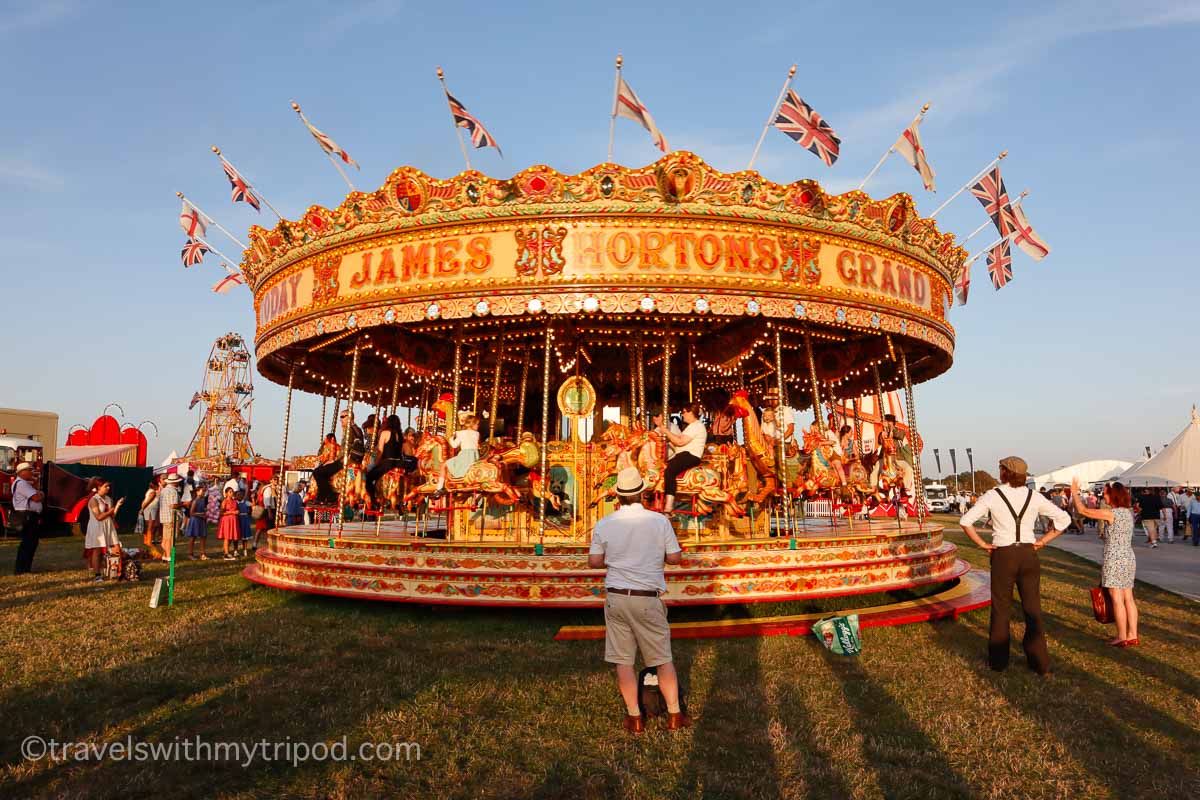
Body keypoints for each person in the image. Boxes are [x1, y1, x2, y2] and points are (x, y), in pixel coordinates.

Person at [587, 467, 690, 733]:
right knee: (662, 658)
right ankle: (675, 715)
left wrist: (617, 559)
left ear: (618, 496)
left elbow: (594, 561)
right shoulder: (658, 522)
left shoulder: (605, 523)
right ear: (642, 493)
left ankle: (634, 718)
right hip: (647, 597)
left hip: (617, 597)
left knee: (624, 660)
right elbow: (676, 558)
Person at [959, 456, 1071, 676]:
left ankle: (999, 662)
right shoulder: (1034, 496)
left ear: (1005, 473)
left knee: (1001, 608)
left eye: (1000, 468)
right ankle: (1039, 662)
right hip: (1029, 554)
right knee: (1032, 608)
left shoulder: (993, 495)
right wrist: (1043, 541)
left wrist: (983, 544)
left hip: (1004, 554)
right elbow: (1064, 519)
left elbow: (965, 521)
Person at [1070, 478, 1139, 646]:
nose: (1104, 497)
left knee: (1116, 598)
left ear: (1113, 496)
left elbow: (1083, 510)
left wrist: (1074, 493)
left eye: (1106, 494)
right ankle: (1132, 634)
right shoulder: (1128, 513)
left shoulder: (1111, 513)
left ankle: (1121, 636)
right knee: (1128, 597)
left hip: (1114, 558)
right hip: (1128, 557)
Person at [655, 403, 707, 514]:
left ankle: (668, 507)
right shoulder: (691, 427)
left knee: (670, 471)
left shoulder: (696, 426)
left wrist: (664, 429)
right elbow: (678, 444)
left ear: (691, 413)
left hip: (691, 455)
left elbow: (679, 442)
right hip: (684, 454)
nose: (682, 415)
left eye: (684, 412)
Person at [84, 479, 124, 582]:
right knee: (98, 551)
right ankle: (98, 575)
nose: (108, 488)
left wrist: (118, 506)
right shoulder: (93, 500)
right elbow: (98, 517)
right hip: (97, 527)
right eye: (106, 486)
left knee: (116, 547)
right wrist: (109, 511)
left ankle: (117, 571)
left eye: (108, 486)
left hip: (108, 526)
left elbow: (112, 515)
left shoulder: (108, 499)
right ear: (98, 488)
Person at [11, 461, 44, 575]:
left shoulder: (24, 483)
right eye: (29, 470)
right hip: (27, 515)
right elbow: (36, 497)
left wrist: (35, 483)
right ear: (22, 472)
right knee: (28, 542)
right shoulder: (22, 484)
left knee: (31, 542)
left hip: (29, 515)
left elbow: (37, 492)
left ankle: (25, 568)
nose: (32, 472)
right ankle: (21, 569)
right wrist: (40, 494)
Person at [366, 414, 404, 504]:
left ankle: (373, 500)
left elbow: (379, 451)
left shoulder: (385, 433)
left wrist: (376, 462)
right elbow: (400, 451)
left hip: (388, 463)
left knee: (368, 477)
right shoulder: (400, 435)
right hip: (399, 464)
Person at [439, 415, 481, 493]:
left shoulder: (461, 433)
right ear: (472, 424)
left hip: (465, 457)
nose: (478, 426)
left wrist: (451, 438)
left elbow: (454, 445)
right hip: (475, 457)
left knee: (443, 465)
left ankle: (439, 488)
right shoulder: (477, 434)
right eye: (477, 424)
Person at [157, 474, 184, 563]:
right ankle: (169, 557)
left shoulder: (164, 490)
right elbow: (173, 505)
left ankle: (165, 556)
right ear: (175, 482)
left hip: (164, 517)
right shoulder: (173, 491)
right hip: (172, 517)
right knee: (170, 538)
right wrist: (184, 504)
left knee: (165, 538)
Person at [185, 484, 209, 560]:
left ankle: (202, 553)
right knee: (193, 537)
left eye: (204, 491)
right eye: (202, 491)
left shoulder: (203, 500)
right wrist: (201, 514)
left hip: (201, 520)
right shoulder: (195, 501)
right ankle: (190, 554)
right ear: (197, 492)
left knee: (203, 536)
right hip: (195, 520)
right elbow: (191, 513)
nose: (204, 492)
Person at [217, 486, 240, 560]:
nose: (232, 493)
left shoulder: (235, 501)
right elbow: (221, 513)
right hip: (227, 520)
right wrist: (231, 512)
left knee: (231, 536)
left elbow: (237, 509)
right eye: (230, 492)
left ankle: (226, 551)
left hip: (233, 520)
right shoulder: (225, 501)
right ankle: (226, 554)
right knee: (227, 537)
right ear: (226, 493)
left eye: (232, 491)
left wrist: (237, 512)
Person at [139, 476, 161, 554]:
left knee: (152, 526)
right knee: (150, 526)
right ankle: (148, 540)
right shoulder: (152, 492)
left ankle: (149, 540)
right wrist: (142, 509)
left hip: (151, 510)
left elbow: (144, 501)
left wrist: (142, 508)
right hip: (150, 510)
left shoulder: (150, 491)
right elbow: (147, 501)